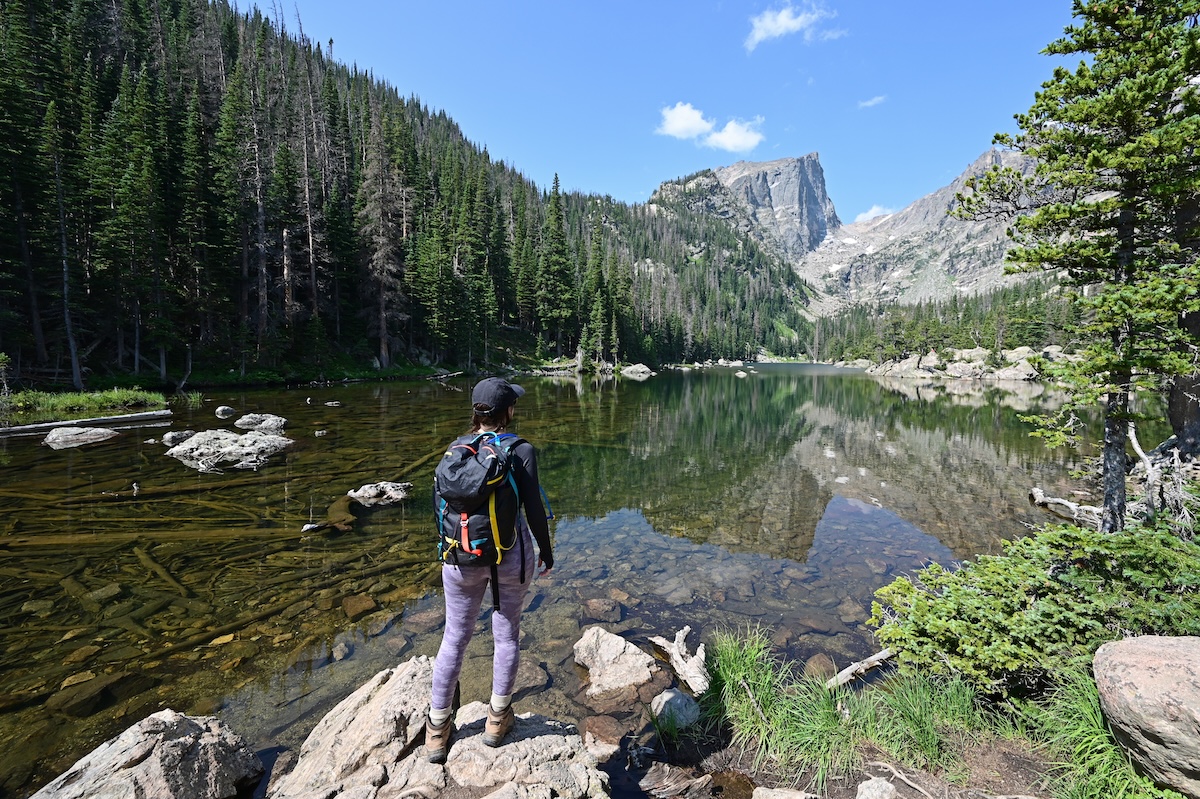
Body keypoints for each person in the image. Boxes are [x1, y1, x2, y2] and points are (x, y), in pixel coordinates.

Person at [426, 377, 554, 763]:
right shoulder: (521, 450)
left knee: (454, 637)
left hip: (459, 557)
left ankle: (437, 729)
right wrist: (546, 553)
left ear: (476, 412)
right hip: (509, 557)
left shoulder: (455, 452)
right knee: (506, 637)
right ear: (508, 412)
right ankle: (497, 721)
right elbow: (533, 510)